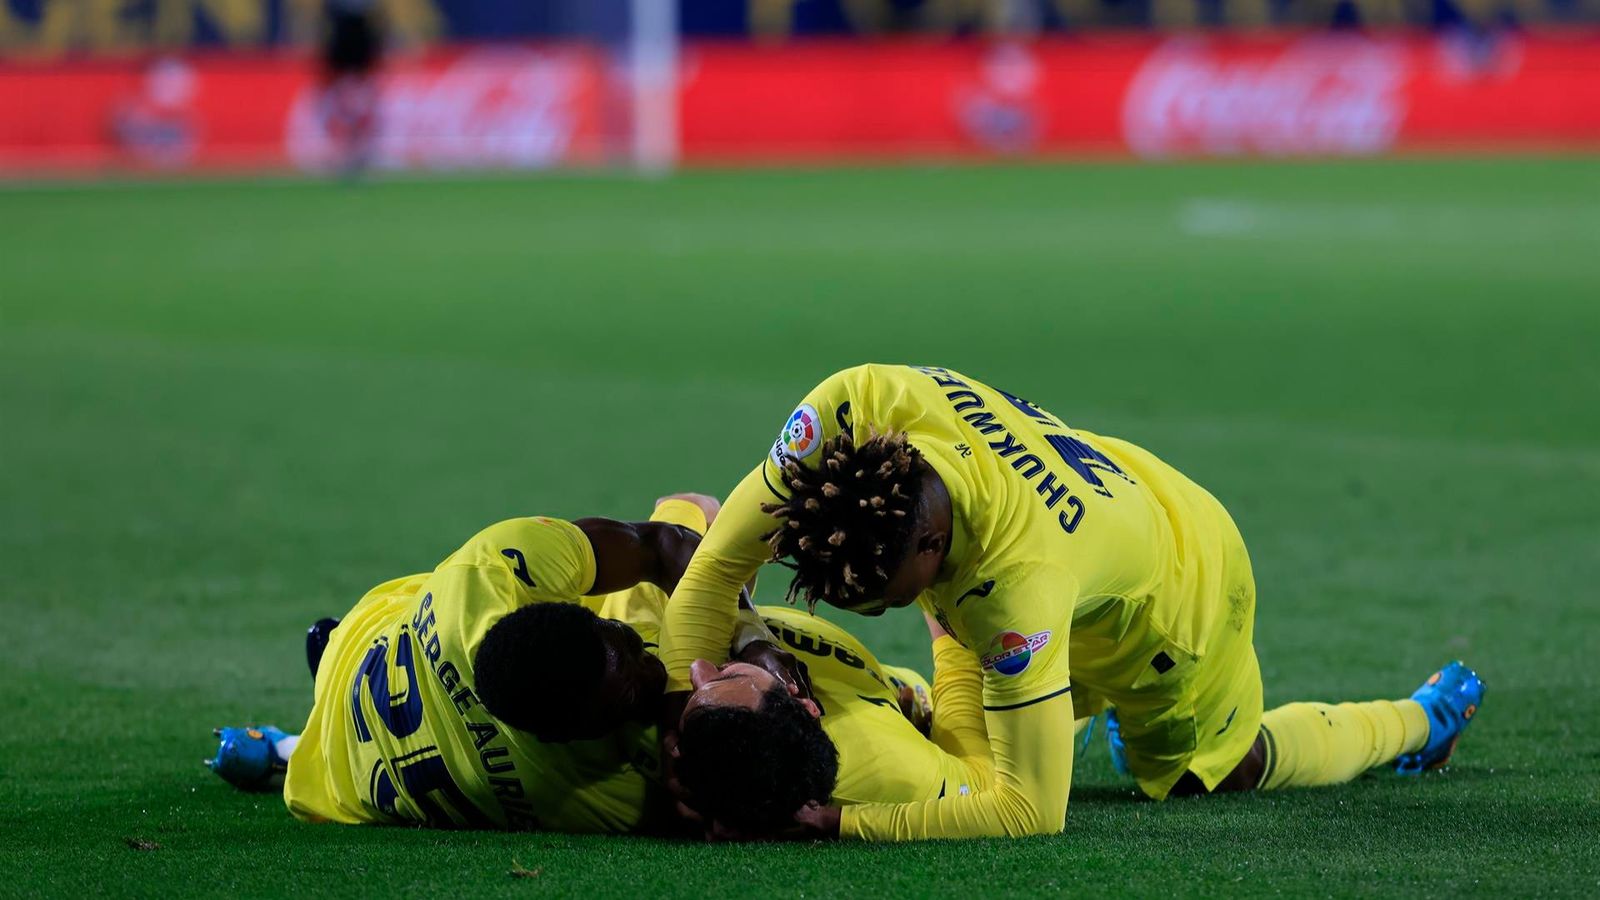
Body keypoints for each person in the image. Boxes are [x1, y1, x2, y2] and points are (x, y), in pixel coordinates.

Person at [659, 364, 1485, 841]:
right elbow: (711, 575)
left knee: (1215, 775)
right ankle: (1009, 704)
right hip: (1086, 514)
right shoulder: (856, 406)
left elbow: (1031, 811)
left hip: (1175, 592)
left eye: (880, 600)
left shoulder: (1018, 591)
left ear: (930, 549)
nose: (867, 611)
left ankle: (1416, 722)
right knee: (964, 743)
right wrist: (681, 725)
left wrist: (841, 823)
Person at [210, 495, 804, 832]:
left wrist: (721, 664)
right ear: (559, 738)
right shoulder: (578, 789)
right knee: (703, 511)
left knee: (690, 531)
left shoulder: (489, 574)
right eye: (623, 700)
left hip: (355, 689)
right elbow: (729, 806)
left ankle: (303, 717)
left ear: (574, 612)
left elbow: (660, 544)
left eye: (615, 637)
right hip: (354, 731)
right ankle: (295, 732)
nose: (645, 668)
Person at [672, 607, 996, 837]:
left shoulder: (671, 647)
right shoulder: (892, 772)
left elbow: (695, 516)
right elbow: (984, 790)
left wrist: (753, 637)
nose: (698, 666)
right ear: (805, 704)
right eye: (728, 674)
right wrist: (944, 607)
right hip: (929, 704)